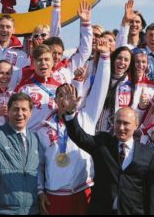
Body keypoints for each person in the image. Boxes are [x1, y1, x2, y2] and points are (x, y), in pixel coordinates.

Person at [37, 36, 111, 215]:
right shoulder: (42, 128)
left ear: (77, 99)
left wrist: (105, 57)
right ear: (55, 100)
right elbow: (38, 165)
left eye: (71, 94)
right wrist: (40, 191)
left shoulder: (87, 117)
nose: (66, 98)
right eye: (62, 94)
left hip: (83, 190)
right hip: (55, 194)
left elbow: (101, 87)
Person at [65, 105, 154, 214]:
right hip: (101, 210)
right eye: (118, 122)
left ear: (136, 125)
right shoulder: (102, 144)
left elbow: (152, 193)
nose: (121, 127)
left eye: (126, 123)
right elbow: (79, 137)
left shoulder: (147, 153)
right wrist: (70, 113)